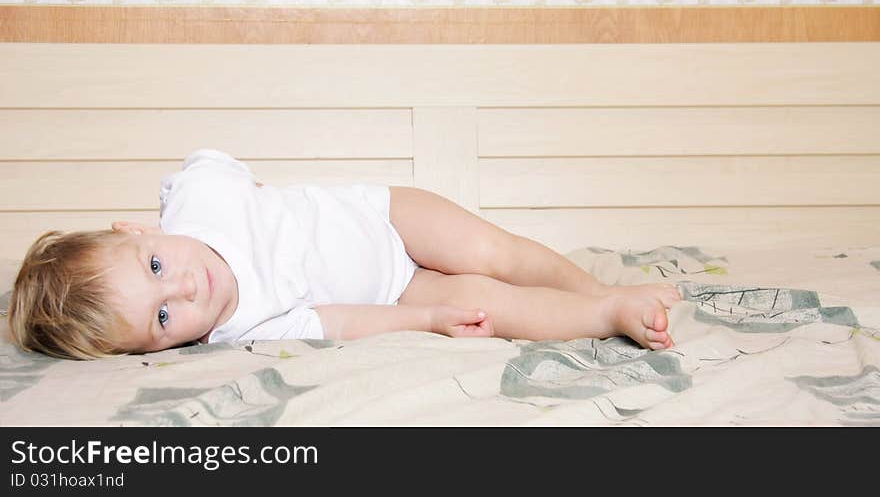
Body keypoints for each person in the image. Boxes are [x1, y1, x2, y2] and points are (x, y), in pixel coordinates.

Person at [8, 149, 680, 360]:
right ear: (157, 349)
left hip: (383, 215)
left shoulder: (198, 200)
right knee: (484, 305)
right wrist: (424, 321)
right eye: (161, 319)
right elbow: (341, 321)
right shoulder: (241, 326)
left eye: (155, 268)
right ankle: (612, 314)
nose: (184, 290)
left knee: (489, 250)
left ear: (140, 232)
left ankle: (591, 287)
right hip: (393, 291)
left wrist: (253, 192)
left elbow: (209, 160)